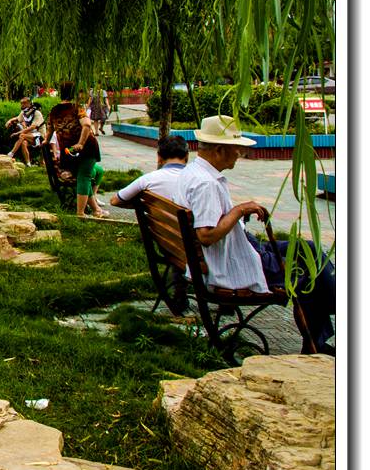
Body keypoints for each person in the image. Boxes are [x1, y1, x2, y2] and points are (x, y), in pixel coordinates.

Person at [175, 115, 335, 355]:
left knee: (308, 248)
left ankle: (332, 305)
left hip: (227, 252)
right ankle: (325, 326)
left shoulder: (193, 172)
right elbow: (206, 236)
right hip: (232, 262)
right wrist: (240, 210)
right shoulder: (206, 184)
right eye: (236, 148)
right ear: (219, 150)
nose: (239, 154)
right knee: (309, 275)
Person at [110, 134, 192, 313]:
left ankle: (180, 298)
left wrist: (144, 206)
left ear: (159, 157)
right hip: (195, 247)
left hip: (166, 242)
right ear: (187, 156)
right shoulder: (198, 180)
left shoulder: (148, 179)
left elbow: (115, 200)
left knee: (181, 239)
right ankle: (227, 300)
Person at [47, 81, 106, 217]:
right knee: (84, 176)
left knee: (90, 173)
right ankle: (80, 213)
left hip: (68, 151)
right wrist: (80, 143)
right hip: (85, 149)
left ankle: (96, 210)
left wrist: (45, 142)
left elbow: (49, 130)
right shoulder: (77, 108)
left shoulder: (54, 110)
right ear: (74, 93)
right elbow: (87, 125)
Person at [5, 97, 44, 166]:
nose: (22, 105)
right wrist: (10, 121)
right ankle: (28, 163)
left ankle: (11, 153)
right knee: (23, 143)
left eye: (24, 103)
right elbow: (17, 118)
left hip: (40, 136)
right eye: (21, 103)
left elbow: (33, 127)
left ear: (29, 104)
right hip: (30, 136)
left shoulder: (37, 113)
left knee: (22, 135)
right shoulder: (24, 112)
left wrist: (17, 133)